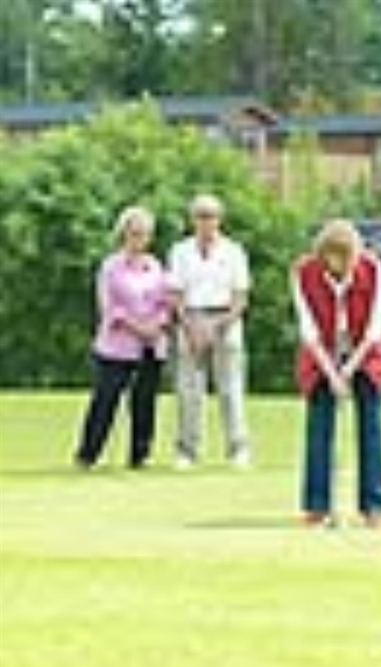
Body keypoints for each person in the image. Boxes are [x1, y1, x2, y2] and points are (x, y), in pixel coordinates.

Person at [291, 219, 381, 528]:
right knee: (318, 425)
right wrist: (331, 373)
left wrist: (348, 369)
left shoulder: (373, 269)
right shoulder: (303, 273)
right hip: (321, 352)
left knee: (371, 424)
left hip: (367, 351)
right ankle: (316, 504)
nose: (340, 267)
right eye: (333, 259)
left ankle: (374, 504)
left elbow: (375, 328)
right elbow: (308, 331)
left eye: (346, 259)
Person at [75, 206, 170, 470]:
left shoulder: (155, 266)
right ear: (124, 234)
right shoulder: (111, 267)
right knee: (105, 399)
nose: (139, 239)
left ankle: (140, 455)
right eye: (134, 233)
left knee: (144, 402)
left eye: (144, 234)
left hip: (150, 346)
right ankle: (88, 454)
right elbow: (110, 308)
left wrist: (157, 325)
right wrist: (137, 326)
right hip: (117, 346)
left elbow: (165, 302)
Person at [167, 194, 252, 470]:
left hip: (225, 319)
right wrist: (190, 326)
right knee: (188, 390)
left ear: (219, 219)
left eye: (211, 216)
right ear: (192, 220)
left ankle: (238, 448)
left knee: (231, 389)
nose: (206, 222)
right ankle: (187, 450)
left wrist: (218, 326)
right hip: (191, 319)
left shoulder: (233, 251)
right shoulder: (180, 251)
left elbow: (240, 296)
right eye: (201, 216)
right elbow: (176, 294)